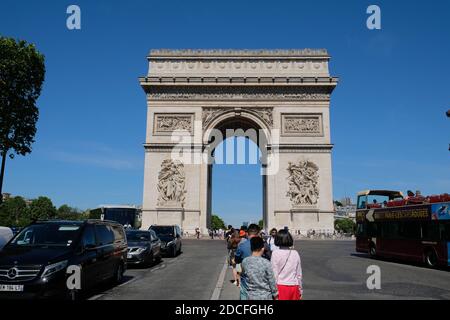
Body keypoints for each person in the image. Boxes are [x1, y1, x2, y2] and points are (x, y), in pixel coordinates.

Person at [271, 229, 302, 300]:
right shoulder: (295, 253)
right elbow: (299, 274)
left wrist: (274, 292)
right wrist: (300, 290)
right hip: (294, 286)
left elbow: (274, 274)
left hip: (280, 286)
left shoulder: (275, 253)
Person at [235, 224, 261, 300]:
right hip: (260, 276)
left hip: (246, 276)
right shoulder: (263, 245)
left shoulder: (242, 245)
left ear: (247, 233)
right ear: (258, 233)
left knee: (244, 294)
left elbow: (237, 260)